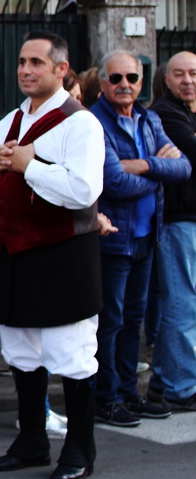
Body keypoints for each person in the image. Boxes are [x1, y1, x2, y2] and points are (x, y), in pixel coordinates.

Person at [0, 31, 105, 479]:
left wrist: (30, 165)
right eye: (22, 62)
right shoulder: (12, 119)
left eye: (37, 63)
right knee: (20, 350)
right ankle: (31, 442)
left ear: (61, 69)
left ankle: (80, 451)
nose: (26, 70)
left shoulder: (81, 123)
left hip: (63, 255)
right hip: (15, 254)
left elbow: (84, 190)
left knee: (71, 353)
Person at [89, 50, 189, 427]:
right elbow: (111, 180)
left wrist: (145, 165)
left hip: (148, 236)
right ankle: (106, 397)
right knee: (110, 321)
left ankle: (129, 393)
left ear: (141, 81)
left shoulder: (148, 118)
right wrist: (159, 170)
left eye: (131, 78)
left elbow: (183, 168)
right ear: (102, 83)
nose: (124, 85)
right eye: (115, 79)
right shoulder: (95, 123)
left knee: (134, 320)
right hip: (114, 239)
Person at [148, 51, 196, 412]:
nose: (187, 80)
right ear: (167, 79)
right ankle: (182, 387)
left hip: (189, 219)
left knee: (177, 303)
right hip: (179, 220)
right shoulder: (166, 113)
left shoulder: (188, 114)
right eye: (179, 74)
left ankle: (165, 381)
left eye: (193, 74)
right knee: (182, 303)